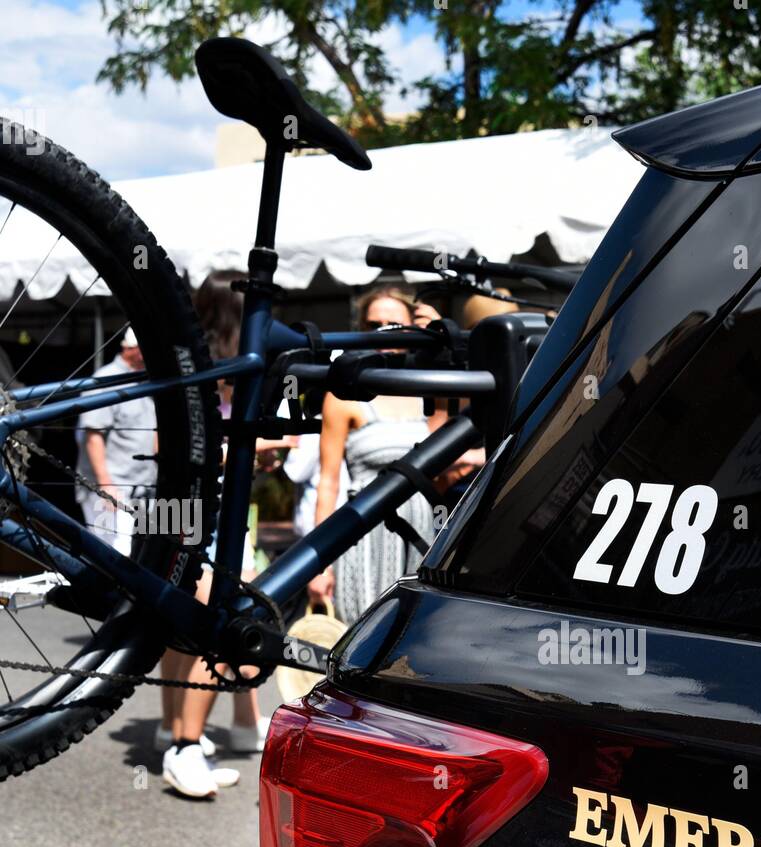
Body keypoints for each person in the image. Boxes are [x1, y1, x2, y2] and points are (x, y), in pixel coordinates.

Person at [158, 271, 291, 798]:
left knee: (187, 629)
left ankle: (179, 734)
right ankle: (185, 746)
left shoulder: (204, 367)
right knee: (229, 624)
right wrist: (254, 451)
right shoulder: (210, 374)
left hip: (205, 516)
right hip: (196, 518)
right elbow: (183, 450)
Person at [308, 286, 480, 623]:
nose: (383, 332)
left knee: (412, 637)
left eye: (394, 324)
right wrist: (318, 565)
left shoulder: (431, 392)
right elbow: (327, 482)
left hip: (422, 530)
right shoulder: (343, 397)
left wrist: (442, 337)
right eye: (374, 324)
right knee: (358, 631)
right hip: (364, 530)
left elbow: (444, 469)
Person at [75, 329, 156, 555]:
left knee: (139, 556)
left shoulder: (145, 380)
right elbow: (93, 435)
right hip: (111, 489)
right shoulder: (106, 379)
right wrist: (106, 485)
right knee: (113, 557)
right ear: (130, 349)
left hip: (142, 489)